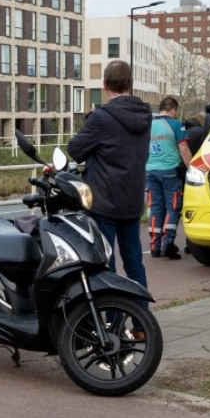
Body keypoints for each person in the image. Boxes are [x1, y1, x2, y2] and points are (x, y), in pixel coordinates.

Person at [67, 59, 153, 288]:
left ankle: (113, 319)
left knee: (107, 262)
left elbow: (75, 150)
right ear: (131, 83)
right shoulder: (146, 115)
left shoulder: (101, 117)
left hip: (104, 200)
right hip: (133, 199)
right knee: (134, 261)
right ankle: (140, 320)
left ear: (104, 85)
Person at [144, 96, 190, 259]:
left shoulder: (149, 125)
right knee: (173, 206)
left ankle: (155, 246)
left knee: (155, 207)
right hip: (170, 171)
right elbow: (183, 149)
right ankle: (167, 243)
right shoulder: (175, 124)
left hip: (150, 170)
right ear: (173, 109)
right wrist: (191, 168)